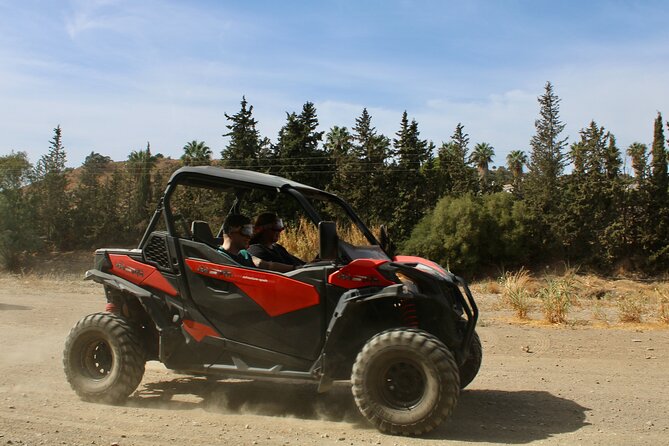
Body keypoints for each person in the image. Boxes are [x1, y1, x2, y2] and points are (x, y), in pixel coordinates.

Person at [218, 214, 295, 272]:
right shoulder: (218, 257)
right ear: (231, 232)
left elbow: (267, 265)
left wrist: (295, 268)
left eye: (250, 231)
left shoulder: (244, 254)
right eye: (246, 231)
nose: (249, 236)